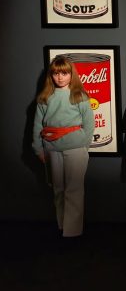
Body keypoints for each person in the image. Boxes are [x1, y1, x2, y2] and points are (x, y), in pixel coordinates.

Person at [32, 56, 95, 238]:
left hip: (75, 148)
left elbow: (89, 124)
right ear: (51, 76)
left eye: (64, 73)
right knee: (58, 189)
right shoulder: (45, 97)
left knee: (74, 189)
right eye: (56, 73)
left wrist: (83, 145)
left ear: (71, 74)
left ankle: (72, 231)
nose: (60, 77)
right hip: (51, 148)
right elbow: (37, 125)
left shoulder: (79, 96)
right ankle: (62, 226)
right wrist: (38, 149)